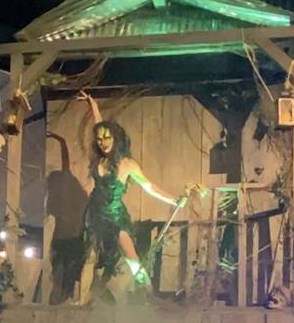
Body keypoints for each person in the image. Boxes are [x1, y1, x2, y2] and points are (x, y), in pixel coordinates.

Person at [75, 91, 204, 304]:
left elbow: (149, 186)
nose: (103, 142)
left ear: (116, 139)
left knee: (132, 257)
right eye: (99, 140)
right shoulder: (99, 160)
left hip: (115, 216)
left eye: (107, 138)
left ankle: (148, 294)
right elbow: (100, 126)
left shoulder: (127, 165)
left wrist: (173, 200)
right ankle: (81, 301)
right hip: (95, 213)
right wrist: (93, 106)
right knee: (89, 257)